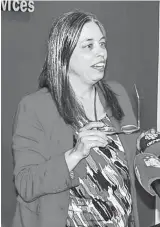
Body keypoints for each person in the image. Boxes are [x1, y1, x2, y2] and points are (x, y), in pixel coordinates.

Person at [11, 10, 141, 227]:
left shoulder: (117, 94)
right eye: (89, 46)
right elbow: (26, 184)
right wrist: (75, 154)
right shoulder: (35, 107)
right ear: (64, 54)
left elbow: (129, 163)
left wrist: (147, 149)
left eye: (102, 44)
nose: (101, 53)